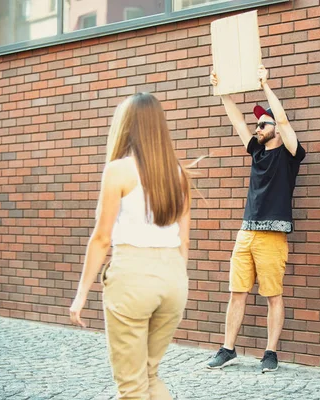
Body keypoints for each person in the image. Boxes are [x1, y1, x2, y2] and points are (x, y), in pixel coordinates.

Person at [69, 92, 191, 400]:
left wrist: (81, 294)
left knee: (131, 387)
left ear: (126, 126)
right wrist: (174, 277)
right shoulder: (178, 173)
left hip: (133, 278)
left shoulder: (119, 170)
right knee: (150, 376)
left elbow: (101, 238)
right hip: (174, 279)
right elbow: (184, 240)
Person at [207, 65, 306, 373]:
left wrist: (265, 86)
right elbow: (236, 119)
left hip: (273, 237)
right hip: (246, 232)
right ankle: (228, 348)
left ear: (275, 127)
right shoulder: (256, 151)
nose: (258, 127)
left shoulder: (291, 153)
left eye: (263, 123)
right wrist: (221, 90)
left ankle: (270, 353)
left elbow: (285, 120)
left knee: (272, 295)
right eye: (258, 124)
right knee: (237, 292)